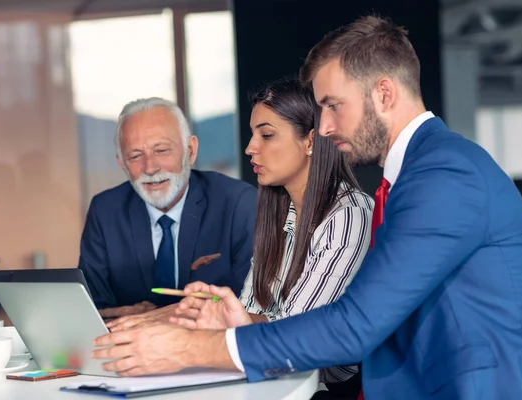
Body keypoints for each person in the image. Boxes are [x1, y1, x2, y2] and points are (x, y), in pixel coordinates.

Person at [92, 16, 522, 399]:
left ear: (384, 94)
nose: (327, 127)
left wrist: (192, 349)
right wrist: (237, 325)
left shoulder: (445, 176)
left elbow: (355, 325)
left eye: (333, 106)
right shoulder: (421, 172)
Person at [107, 79, 372, 395]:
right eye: (252, 134)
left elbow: (297, 335)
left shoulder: (348, 213)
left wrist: (188, 341)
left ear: (311, 140)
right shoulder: (276, 213)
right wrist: (211, 315)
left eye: (267, 135)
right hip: (274, 380)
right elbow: (252, 310)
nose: (250, 147)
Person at [79, 97, 256, 316]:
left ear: (190, 150)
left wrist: (155, 318)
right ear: (122, 164)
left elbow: (252, 308)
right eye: (135, 156)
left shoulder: (239, 203)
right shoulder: (105, 211)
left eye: (161, 150)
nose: (150, 168)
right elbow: (92, 309)